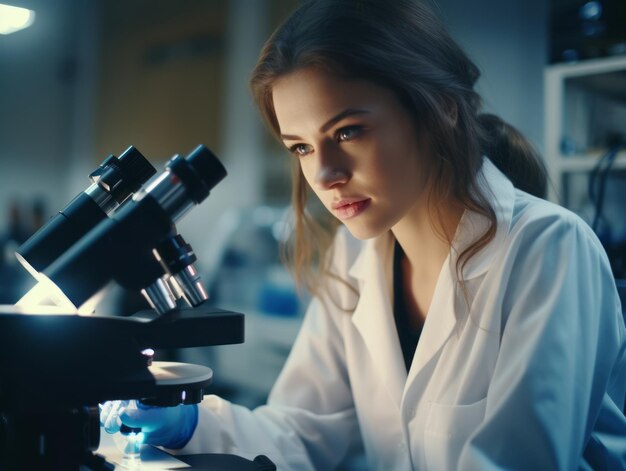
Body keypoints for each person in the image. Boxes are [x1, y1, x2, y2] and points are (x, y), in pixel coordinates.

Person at [100, 0, 626, 469]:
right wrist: (192, 423)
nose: (324, 175)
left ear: (439, 107)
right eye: (301, 147)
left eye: (348, 132)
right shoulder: (354, 257)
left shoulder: (549, 250)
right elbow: (304, 430)